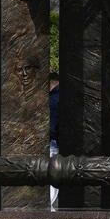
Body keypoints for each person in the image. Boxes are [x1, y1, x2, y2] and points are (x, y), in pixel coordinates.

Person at [48, 72, 60, 211]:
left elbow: (52, 124)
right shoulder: (57, 97)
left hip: (52, 142)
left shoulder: (53, 99)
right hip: (55, 142)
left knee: (52, 173)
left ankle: (48, 206)